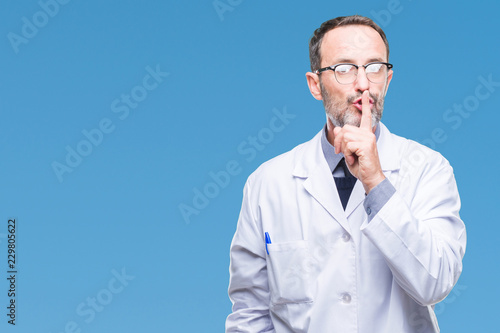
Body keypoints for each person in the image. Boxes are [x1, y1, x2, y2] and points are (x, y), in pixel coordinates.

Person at [225, 15, 466, 333]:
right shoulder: (268, 183)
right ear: (315, 85)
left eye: (374, 67)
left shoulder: (429, 169)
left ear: (388, 79)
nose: (363, 84)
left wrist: (375, 180)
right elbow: (251, 316)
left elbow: (434, 283)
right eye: (344, 69)